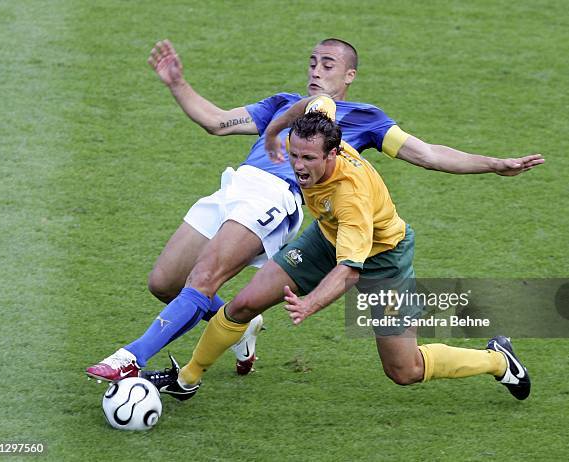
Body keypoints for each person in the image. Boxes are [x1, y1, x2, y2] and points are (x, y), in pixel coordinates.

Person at [87, 37, 433, 381]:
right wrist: (178, 84)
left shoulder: (362, 118)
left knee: (204, 278)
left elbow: (428, 154)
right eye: (312, 62)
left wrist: (487, 163)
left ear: (349, 75)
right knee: (164, 282)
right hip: (236, 185)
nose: (316, 70)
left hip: (273, 197)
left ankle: (132, 357)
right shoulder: (284, 104)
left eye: (328, 65)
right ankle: (241, 323)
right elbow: (216, 122)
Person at [143, 106, 543, 401]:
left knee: (404, 370)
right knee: (244, 302)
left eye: (308, 159)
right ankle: (187, 380)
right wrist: (274, 132)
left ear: (334, 154)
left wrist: (309, 305)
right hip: (325, 236)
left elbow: (350, 271)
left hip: (382, 257)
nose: (297, 167)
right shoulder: (322, 121)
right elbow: (313, 103)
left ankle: (497, 360)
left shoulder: (350, 197)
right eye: (293, 154)